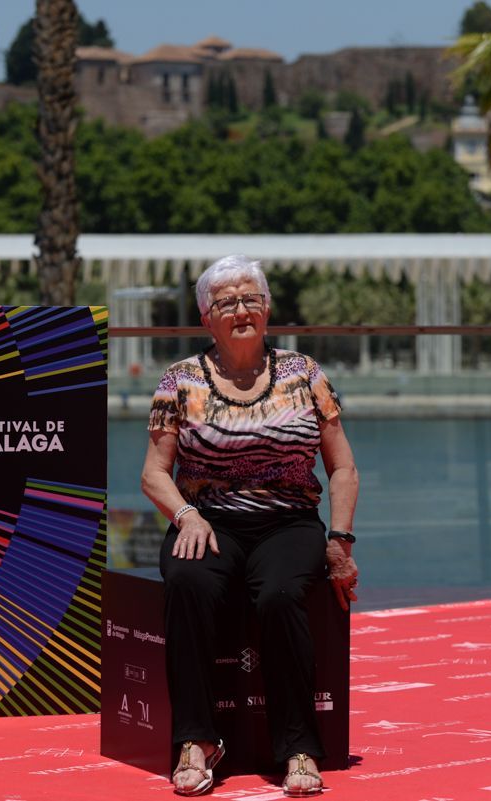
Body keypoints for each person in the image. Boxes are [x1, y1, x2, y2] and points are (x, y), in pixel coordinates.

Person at [141, 254, 360, 797]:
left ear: (267, 309)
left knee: (281, 597)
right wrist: (186, 514)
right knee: (189, 582)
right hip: (208, 519)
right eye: (226, 302)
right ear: (205, 318)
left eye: (250, 299)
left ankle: (300, 748)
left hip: (287, 520)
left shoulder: (304, 374)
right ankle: (197, 740)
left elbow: (343, 467)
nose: (241, 310)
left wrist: (340, 540)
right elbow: (153, 474)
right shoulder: (180, 381)